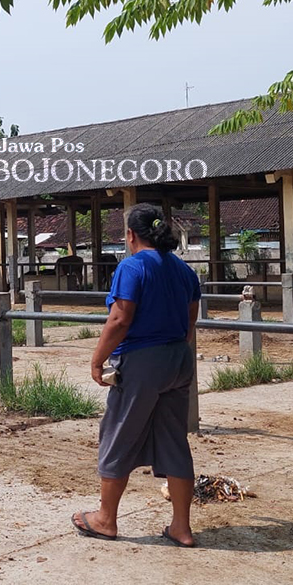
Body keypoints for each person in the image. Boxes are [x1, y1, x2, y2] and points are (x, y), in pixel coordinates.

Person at [72, 203, 201, 547]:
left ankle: (106, 520)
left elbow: (120, 318)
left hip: (143, 361)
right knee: (175, 440)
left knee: (118, 434)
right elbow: (191, 319)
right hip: (179, 359)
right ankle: (181, 528)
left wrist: (97, 360)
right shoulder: (185, 271)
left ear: (130, 235)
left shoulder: (131, 267)